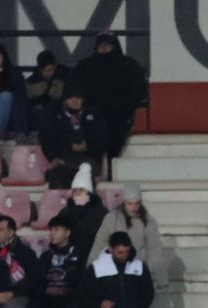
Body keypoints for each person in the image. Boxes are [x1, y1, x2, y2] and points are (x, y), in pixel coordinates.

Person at [74, 31, 146, 159]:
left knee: (115, 148)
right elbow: (76, 89)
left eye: (108, 45)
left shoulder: (129, 65)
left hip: (120, 116)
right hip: (92, 115)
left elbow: (139, 90)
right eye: (101, 46)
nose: (104, 48)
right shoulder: (85, 66)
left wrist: (128, 107)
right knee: (94, 149)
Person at [40, 85, 108, 191]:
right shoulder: (54, 117)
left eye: (78, 98)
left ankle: (84, 204)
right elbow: (48, 140)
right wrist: (67, 148)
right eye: (71, 98)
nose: (75, 101)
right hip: (64, 160)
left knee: (85, 172)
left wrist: (87, 146)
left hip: (88, 159)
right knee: (58, 174)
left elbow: (102, 139)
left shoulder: (93, 114)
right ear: (64, 100)